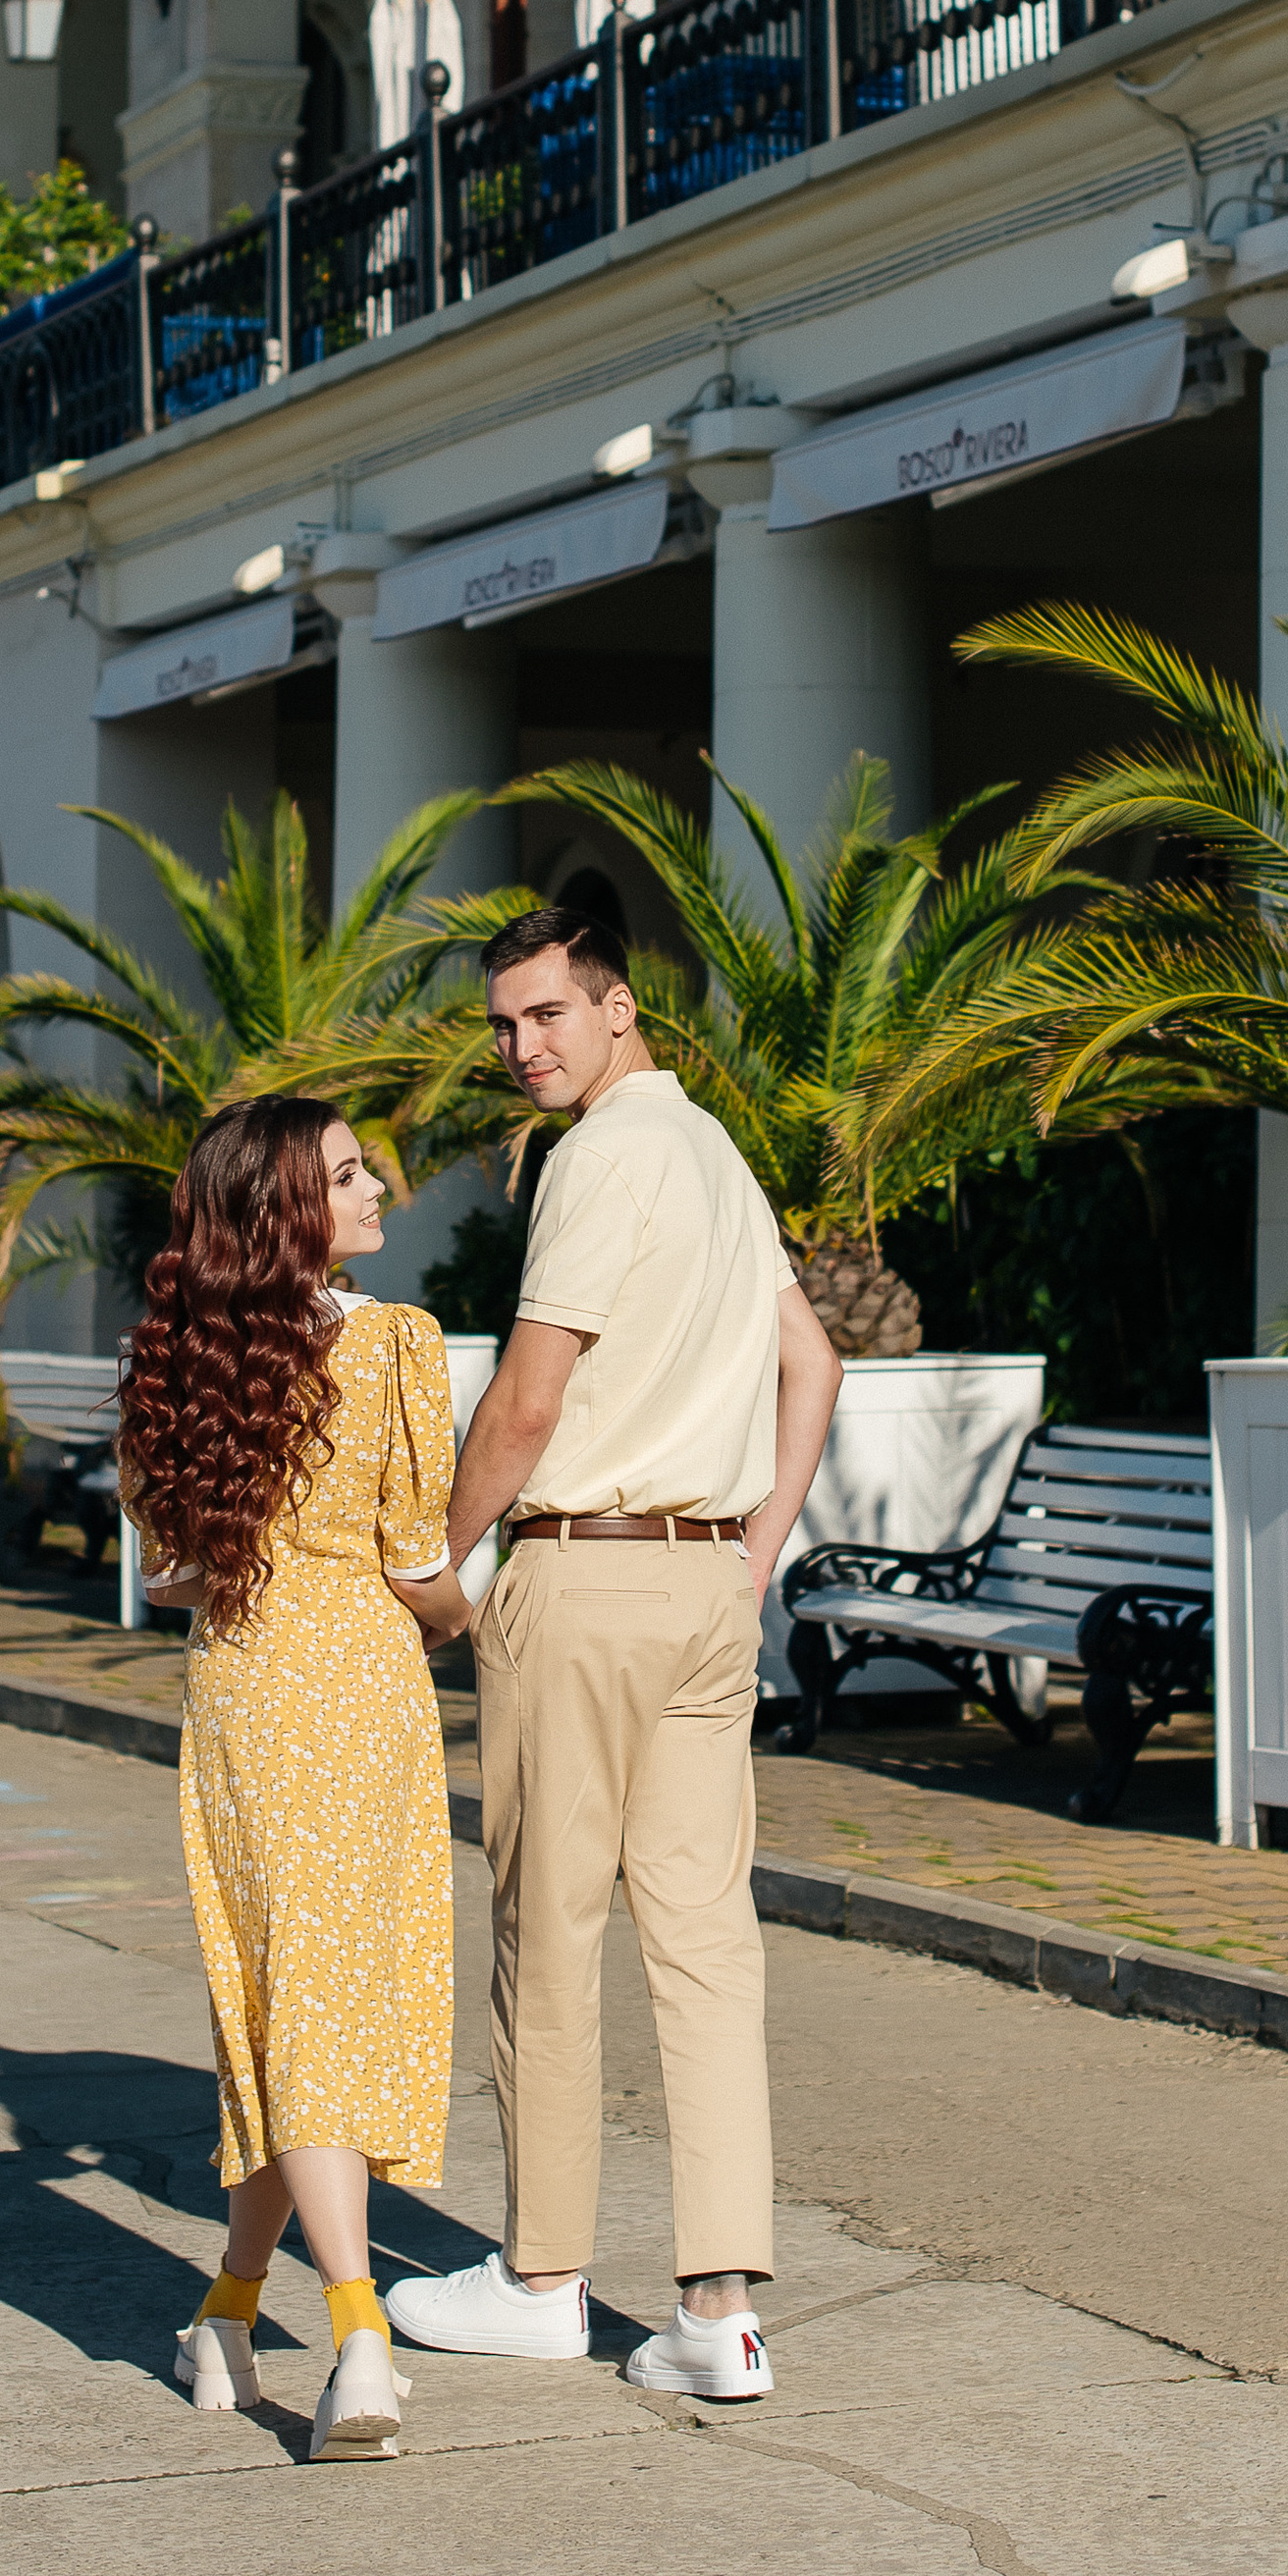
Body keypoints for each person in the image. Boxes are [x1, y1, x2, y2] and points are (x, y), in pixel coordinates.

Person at [383, 906, 840, 2402]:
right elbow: (812, 1362)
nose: (524, 1049)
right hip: (709, 1587)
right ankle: (717, 2315)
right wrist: (759, 1548)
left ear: (620, 1006)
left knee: (549, 1930)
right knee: (708, 1943)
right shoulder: (713, 1154)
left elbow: (526, 1397)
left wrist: (436, 1559)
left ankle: (543, 2279)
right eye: (506, 1027)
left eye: (547, 1018)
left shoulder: (596, 1162)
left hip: (586, 1579)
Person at [118, 1095, 456, 2462]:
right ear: (287, 1210)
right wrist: (474, 1621)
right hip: (370, 1688)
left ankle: (228, 2309)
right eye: (351, 1173)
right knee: (324, 2000)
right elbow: (419, 1562)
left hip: (248, 1694)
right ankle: (360, 2332)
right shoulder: (397, 1347)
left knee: (293, 2005)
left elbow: (173, 1571)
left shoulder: (169, 1357)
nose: (381, 1188)